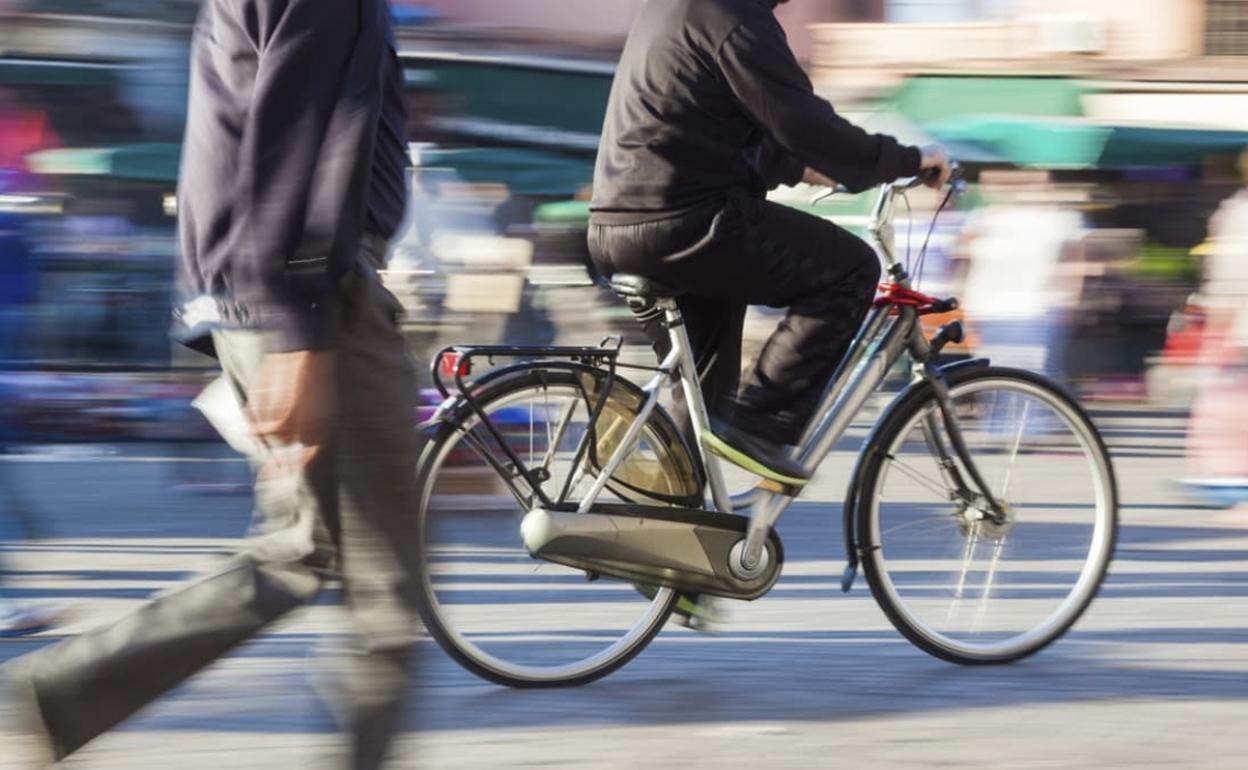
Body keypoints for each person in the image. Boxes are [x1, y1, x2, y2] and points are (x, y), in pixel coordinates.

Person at [1, 1, 421, 768]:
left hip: (276, 296)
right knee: (379, 593)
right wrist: (299, 330)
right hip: (320, 302)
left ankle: (61, 693)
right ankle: (59, 689)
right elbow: (294, 139)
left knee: (314, 557)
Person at [588, 0, 950, 487]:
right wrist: (906, 159)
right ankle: (760, 427)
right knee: (849, 270)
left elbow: (708, 125)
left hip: (622, 225)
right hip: (684, 221)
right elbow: (803, 123)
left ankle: (673, 521)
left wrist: (798, 167)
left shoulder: (679, 9)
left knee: (701, 395)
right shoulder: (731, 15)